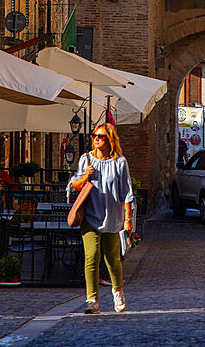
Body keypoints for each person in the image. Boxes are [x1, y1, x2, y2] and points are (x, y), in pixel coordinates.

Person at [68, 122, 135, 314]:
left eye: (101, 136)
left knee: (112, 259)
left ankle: (117, 291)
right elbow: (74, 185)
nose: (97, 139)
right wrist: (85, 177)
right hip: (90, 215)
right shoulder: (86, 159)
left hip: (112, 217)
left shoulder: (119, 162)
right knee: (91, 257)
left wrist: (128, 219)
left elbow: (126, 192)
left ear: (110, 139)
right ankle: (92, 300)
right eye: (94, 136)